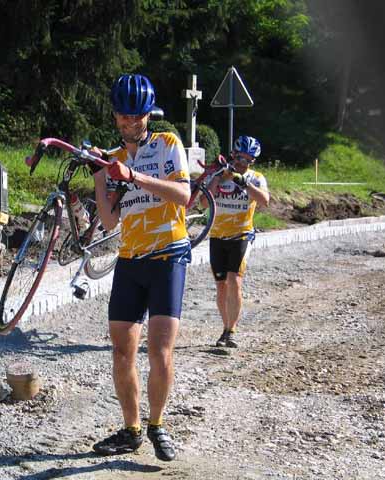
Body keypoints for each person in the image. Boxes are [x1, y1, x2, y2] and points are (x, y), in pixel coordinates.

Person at [90, 74, 191, 461]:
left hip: (168, 257)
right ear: (115, 116)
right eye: (123, 117)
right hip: (130, 261)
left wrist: (135, 176)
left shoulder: (167, 144)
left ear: (148, 115)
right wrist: (101, 176)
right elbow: (109, 220)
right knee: (121, 353)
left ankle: (157, 425)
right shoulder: (114, 158)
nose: (130, 124)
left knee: (160, 352)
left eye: (137, 117)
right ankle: (131, 429)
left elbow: (183, 195)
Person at [206, 135, 269, 348]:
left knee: (235, 281)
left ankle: (231, 330)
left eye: (249, 160)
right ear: (233, 154)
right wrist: (218, 176)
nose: (243, 163)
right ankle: (225, 328)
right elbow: (207, 199)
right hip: (217, 235)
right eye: (241, 158)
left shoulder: (256, 177)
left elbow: (264, 200)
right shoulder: (222, 173)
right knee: (221, 286)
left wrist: (243, 182)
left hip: (241, 235)